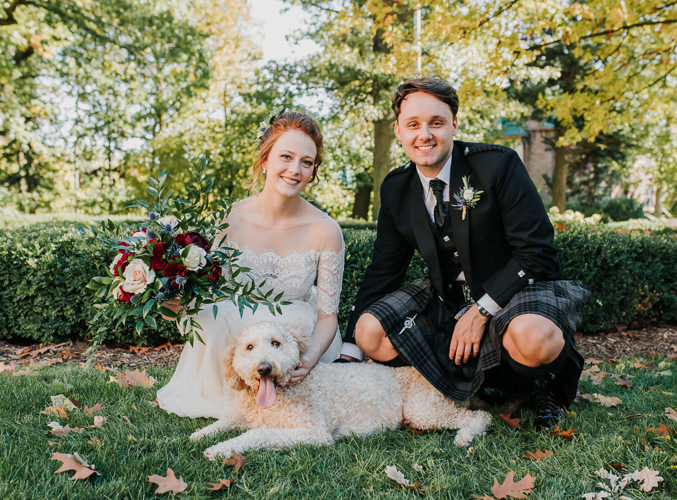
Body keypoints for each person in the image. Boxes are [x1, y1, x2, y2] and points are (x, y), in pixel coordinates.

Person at [338, 77, 589, 428]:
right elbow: (384, 270)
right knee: (370, 333)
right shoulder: (396, 187)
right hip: (446, 295)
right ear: (398, 130)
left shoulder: (498, 165)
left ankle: (539, 385)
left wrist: (482, 309)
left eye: (436, 123)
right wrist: (350, 351)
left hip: (517, 290)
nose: (424, 134)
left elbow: (538, 254)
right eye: (413, 124)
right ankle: (457, 384)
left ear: (454, 124)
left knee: (534, 338)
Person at [158, 112, 344, 419]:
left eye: (306, 162)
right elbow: (209, 287)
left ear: (313, 170)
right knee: (214, 320)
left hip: (294, 325)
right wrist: (173, 298)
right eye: (286, 156)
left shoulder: (326, 231)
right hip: (235, 320)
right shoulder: (231, 218)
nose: (295, 170)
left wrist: (309, 359)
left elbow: (327, 316)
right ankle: (225, 397)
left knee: (295, 331)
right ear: (266, 159)